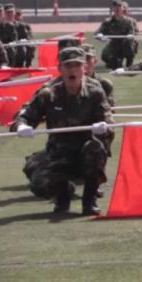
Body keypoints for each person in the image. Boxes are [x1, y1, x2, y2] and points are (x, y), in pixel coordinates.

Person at [10, 47, 114, 215]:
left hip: (86, 151)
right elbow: (24, 116)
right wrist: (21, 126)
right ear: (60, 69)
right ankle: (63, 194)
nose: (73, 70)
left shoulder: (95, 91)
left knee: (96, 148)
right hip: (59, 152)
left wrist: (103, 127)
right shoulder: (49, 93)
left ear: (84, 68)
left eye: (77, 65)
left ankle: (90, 201)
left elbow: (108, 120)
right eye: (68, 66)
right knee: (39, 183)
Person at [96, 0, 139, 70]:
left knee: (129, 44)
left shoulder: (128, 21)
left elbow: (132, 32)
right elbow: (97, 32)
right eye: (115, 7)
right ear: (113, 9)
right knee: (105, 55)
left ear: (122, 8)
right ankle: (116, 64)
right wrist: (100, 36)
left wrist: (130, 36)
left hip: (126, 45)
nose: (117, 9)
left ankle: (129, 64)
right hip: (114, 45)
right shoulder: (108, 21)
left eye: (119, 6)